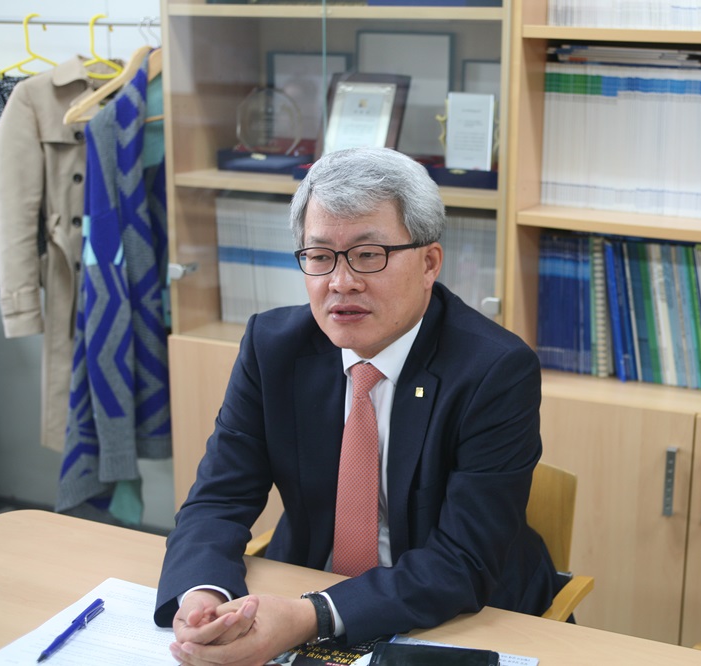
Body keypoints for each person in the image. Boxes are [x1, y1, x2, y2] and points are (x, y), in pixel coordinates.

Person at [155, 147, 560, 665]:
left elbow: (462, 561)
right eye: (320, 256)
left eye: (369, 254)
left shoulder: (494, 371)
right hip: (307, 581)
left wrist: (310, 617)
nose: (341, 282)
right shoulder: (273, 347)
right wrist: (202, 596)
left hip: (457, 618)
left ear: (429, 263)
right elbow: (218, 499)